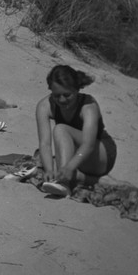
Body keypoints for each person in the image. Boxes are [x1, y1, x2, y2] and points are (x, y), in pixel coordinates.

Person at [34, 64, 118, 197]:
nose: (62, 100)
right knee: (49, 164)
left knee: (60, 129)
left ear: (77, 90)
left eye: (67, 95)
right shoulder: (44, 106)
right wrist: (48, 170)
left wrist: (69, 167)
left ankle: (64, 184)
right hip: (76, 154)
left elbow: (88, 145)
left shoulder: (88, 105)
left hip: (100, 154)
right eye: (57, 96)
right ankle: (89, 180)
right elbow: (45, 144)